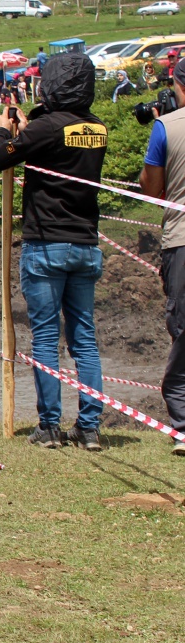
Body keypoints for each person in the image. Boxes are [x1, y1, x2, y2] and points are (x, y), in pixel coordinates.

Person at [0, 52, 108, 451]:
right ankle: (89, 428)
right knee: (84, 339)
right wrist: (29, 127)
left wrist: (3, 130)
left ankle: (49, 426)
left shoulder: (47, 127)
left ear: (52, 84)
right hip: (86, 243)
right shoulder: (96, 128)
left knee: (45, 337)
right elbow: (51, 142)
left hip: (47, 245)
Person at [141, 59, 185, 453]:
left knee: (183, 326)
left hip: (181, 238)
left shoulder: (165, 127)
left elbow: (151, 189)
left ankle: (184, 423)